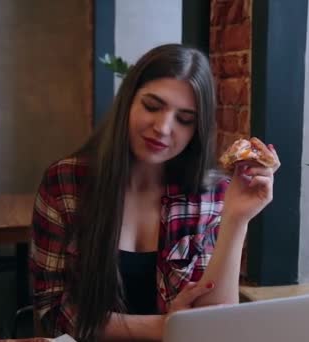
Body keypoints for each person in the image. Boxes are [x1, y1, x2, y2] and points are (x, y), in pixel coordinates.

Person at [30, 43, 280, 342]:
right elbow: (53, 312)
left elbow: (216, 326)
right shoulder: (66, 181)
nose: (163, 127)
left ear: (196, 130)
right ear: (128, 102)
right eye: (152, 106)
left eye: (184, 119)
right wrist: (165, 326)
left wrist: (236, 219)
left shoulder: (211, 194)